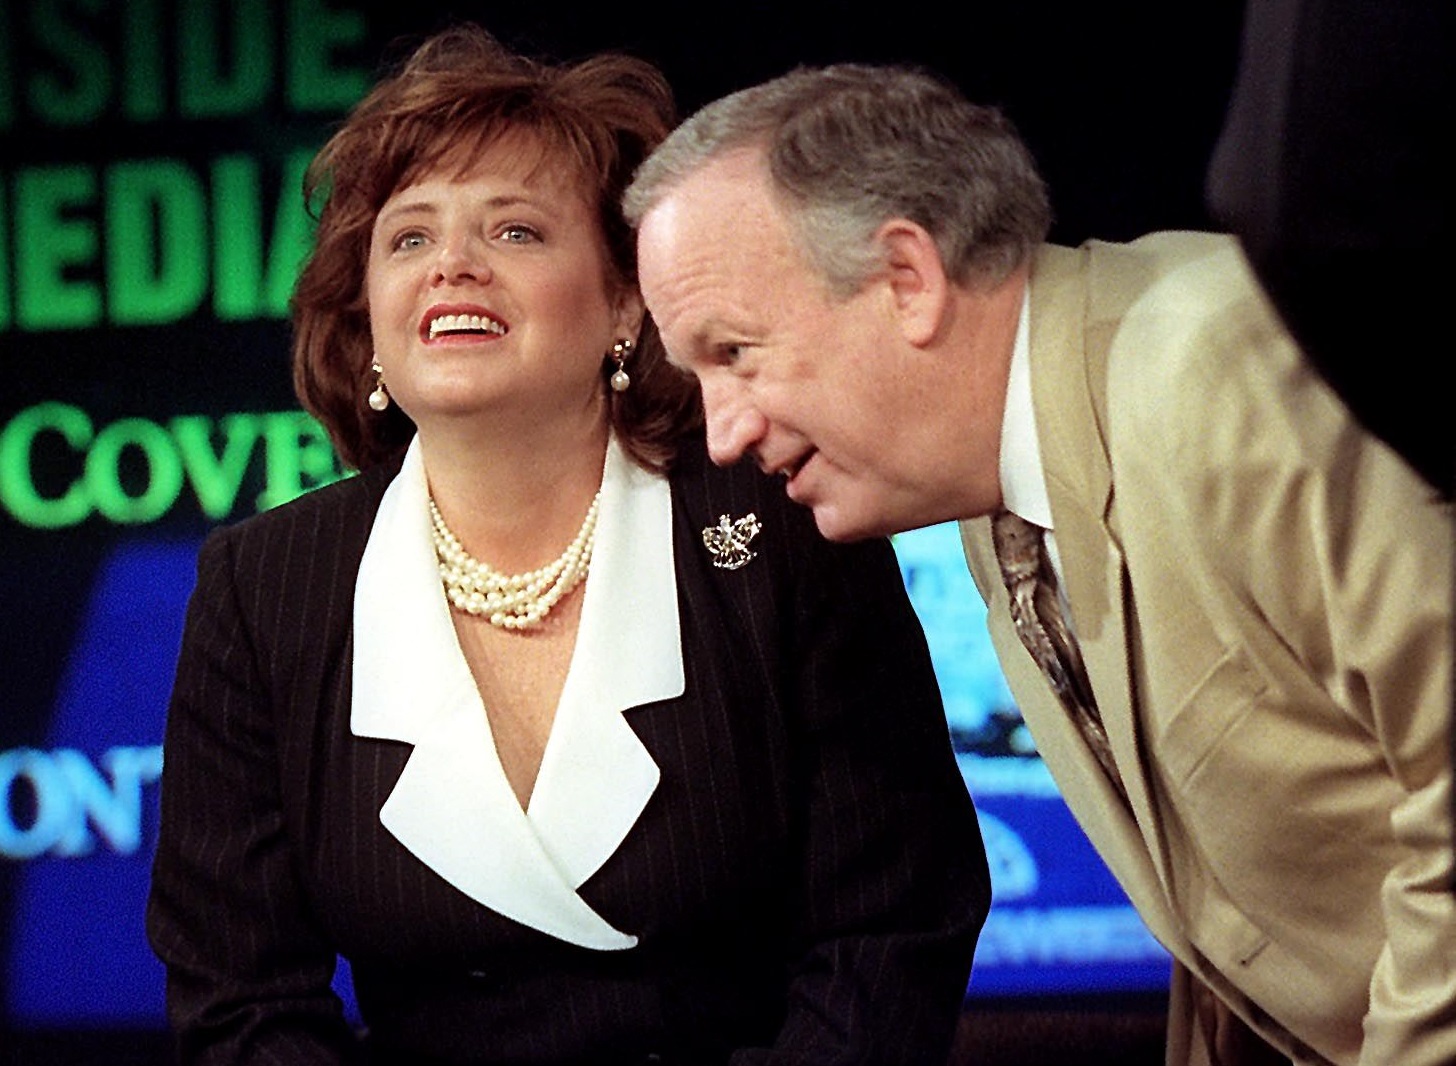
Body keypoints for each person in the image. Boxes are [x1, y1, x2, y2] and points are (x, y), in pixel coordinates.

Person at [146, 27, 989, 1066]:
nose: (453, 264)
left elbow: (894, 928)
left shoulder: (779, 524)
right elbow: (238, 1001)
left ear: (626, 302)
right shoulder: (265, 585)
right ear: (367, 318)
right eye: (408, 239)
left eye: (514, 231)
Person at [625, 63, 1454, 1066]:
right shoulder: (995, 495)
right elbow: (1238, 934)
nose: (722, 434)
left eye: (733, 353)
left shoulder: (1215, 368)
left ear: (906, 278)